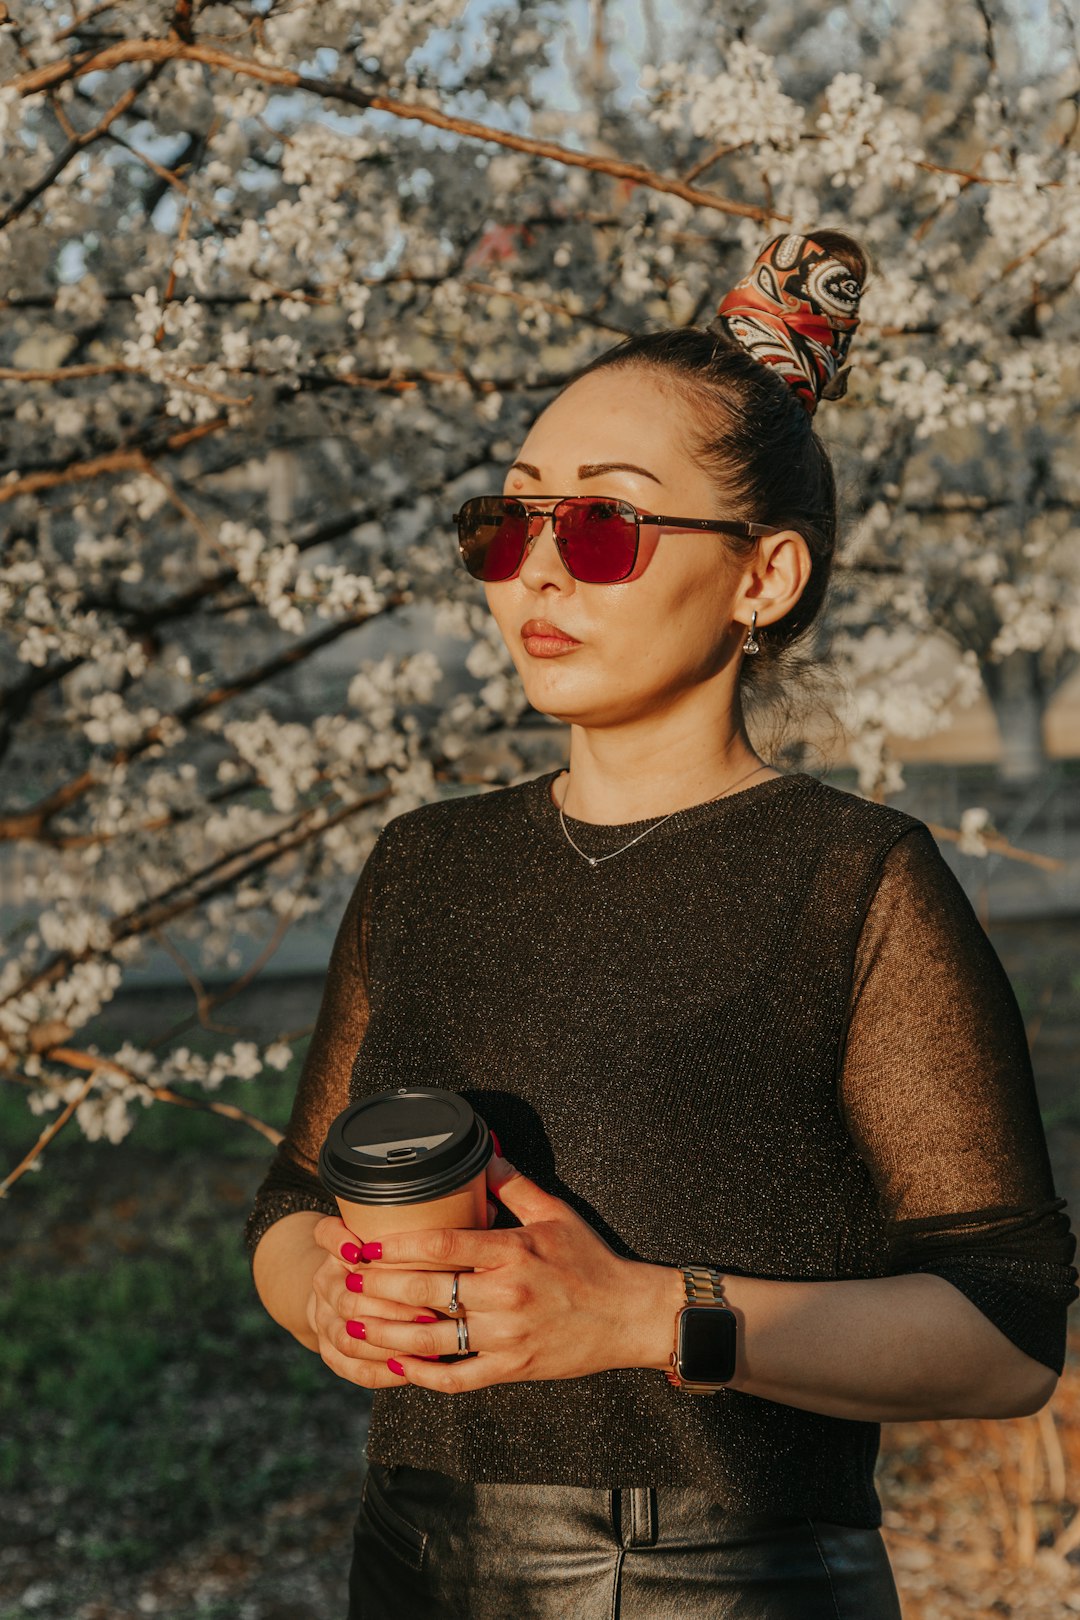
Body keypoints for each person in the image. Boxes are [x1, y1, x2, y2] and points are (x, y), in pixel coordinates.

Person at [244, 231, 1079, 1619]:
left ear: (765, 579)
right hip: (412, 1566)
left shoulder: (854, 881)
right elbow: (292, 1209)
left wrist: (643, 1315)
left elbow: (1004, 1336)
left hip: (731, 1586)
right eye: (507, 526)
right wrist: (327, 1294)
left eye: (605, 526)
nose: (538, 575)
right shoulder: (425, 865)